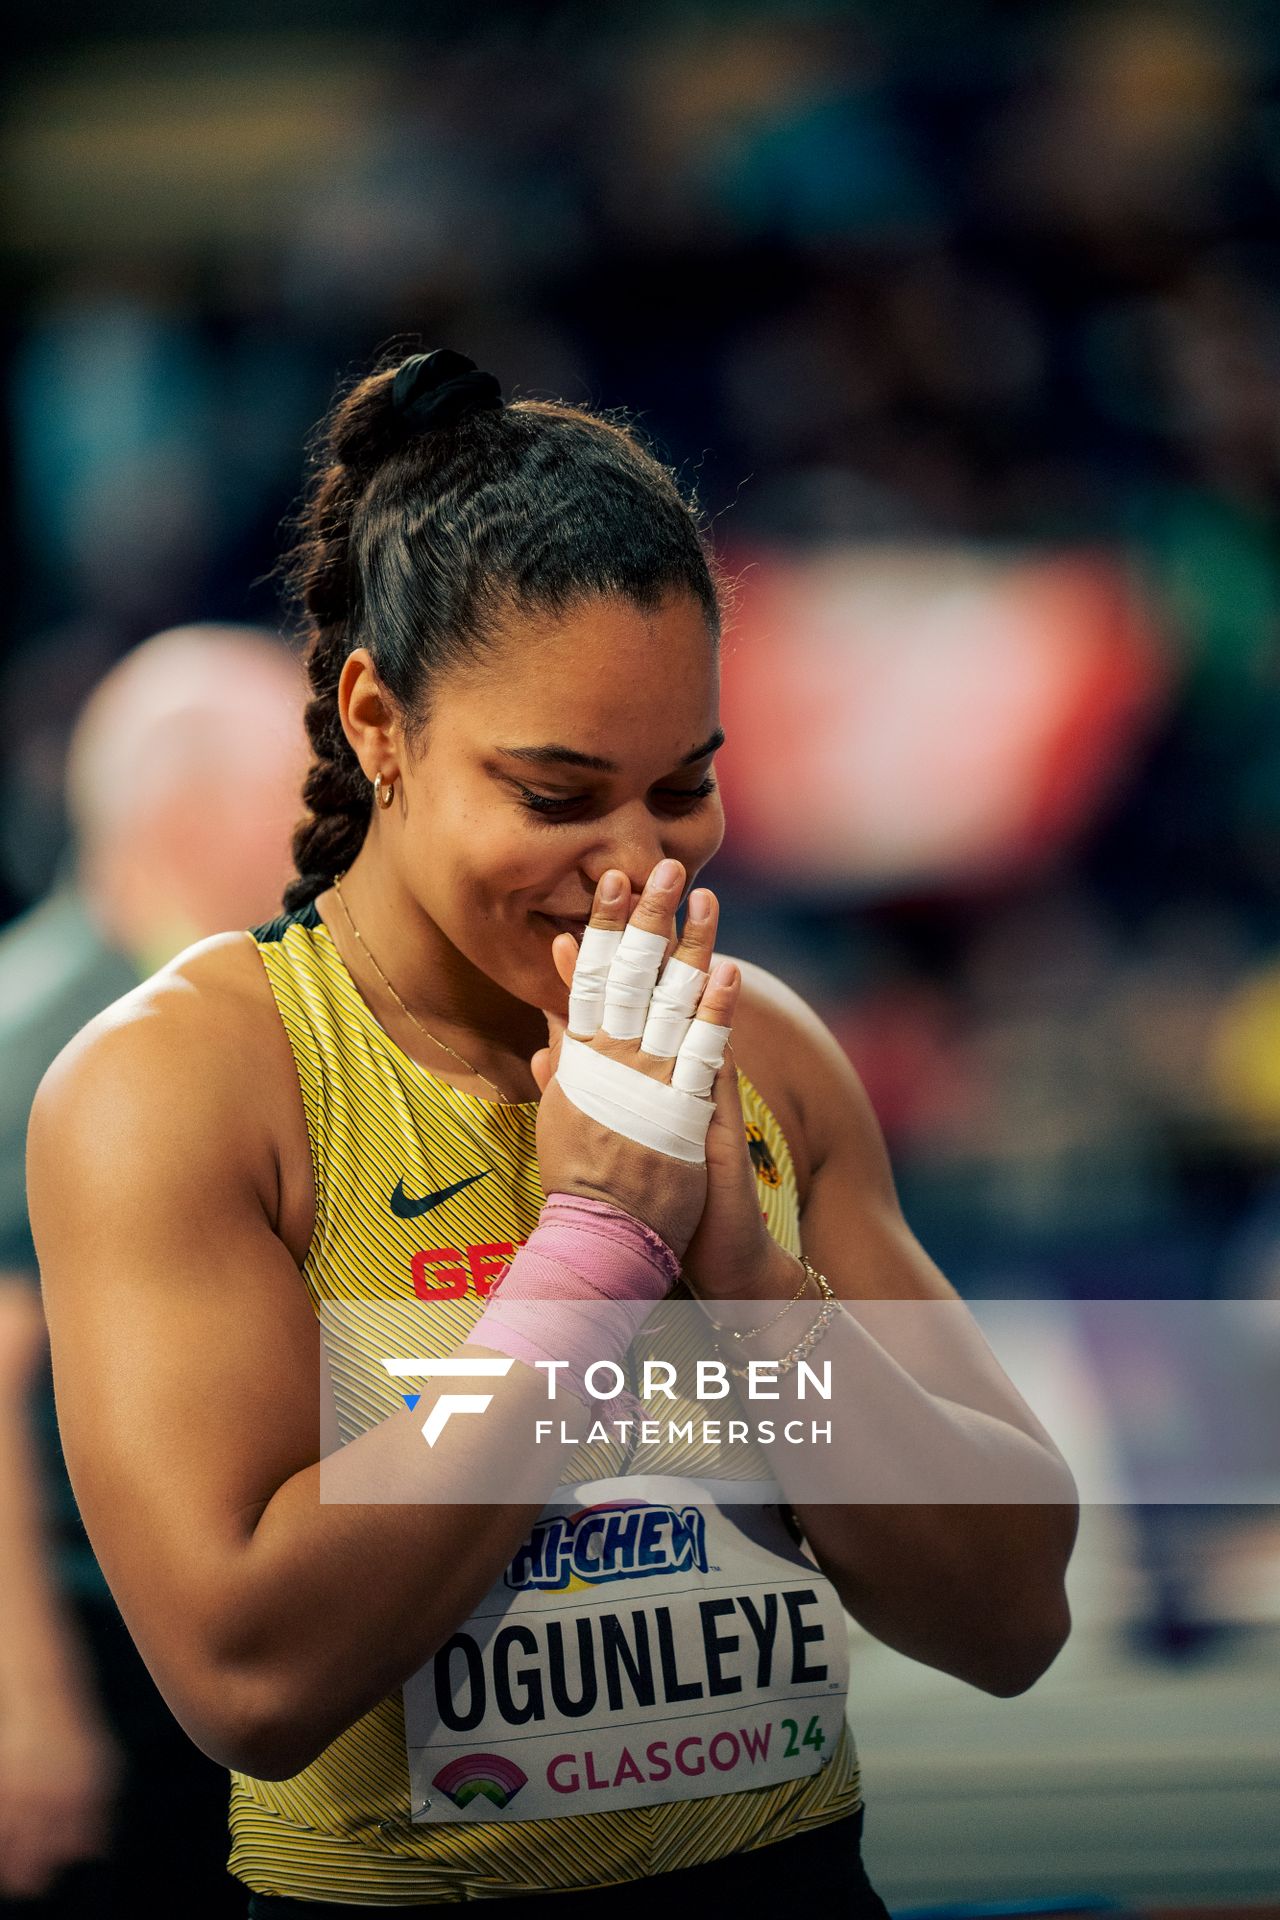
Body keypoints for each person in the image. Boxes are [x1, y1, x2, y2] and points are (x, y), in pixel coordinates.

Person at [26, 348, 1078, 1916]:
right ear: (378, 722)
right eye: (555, 793)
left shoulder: (763, 1050)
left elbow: (1011, 1613)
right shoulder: (188, 1083)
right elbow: (249, 1674)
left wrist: (742, 1279)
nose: (632, 863)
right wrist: (591, 1260)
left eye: (682, 788)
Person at [0, 623, 306, 1913]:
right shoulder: (76, 1032)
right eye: (307, 789)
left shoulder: (132, 997)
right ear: (191, 810)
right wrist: (29, 1706)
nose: (335, 829)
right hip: (100, 1648)